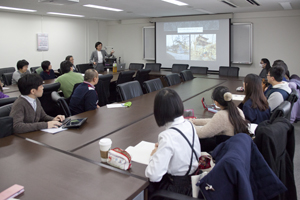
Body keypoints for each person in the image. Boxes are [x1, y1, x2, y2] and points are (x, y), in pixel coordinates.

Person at [145, 88, 201, 198]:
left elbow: (153, 175)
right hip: (193, 182)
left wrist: (154, 155)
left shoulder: (167, 136)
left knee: (148, 187)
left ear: (159, 111)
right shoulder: (189, 125)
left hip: (176, 189)